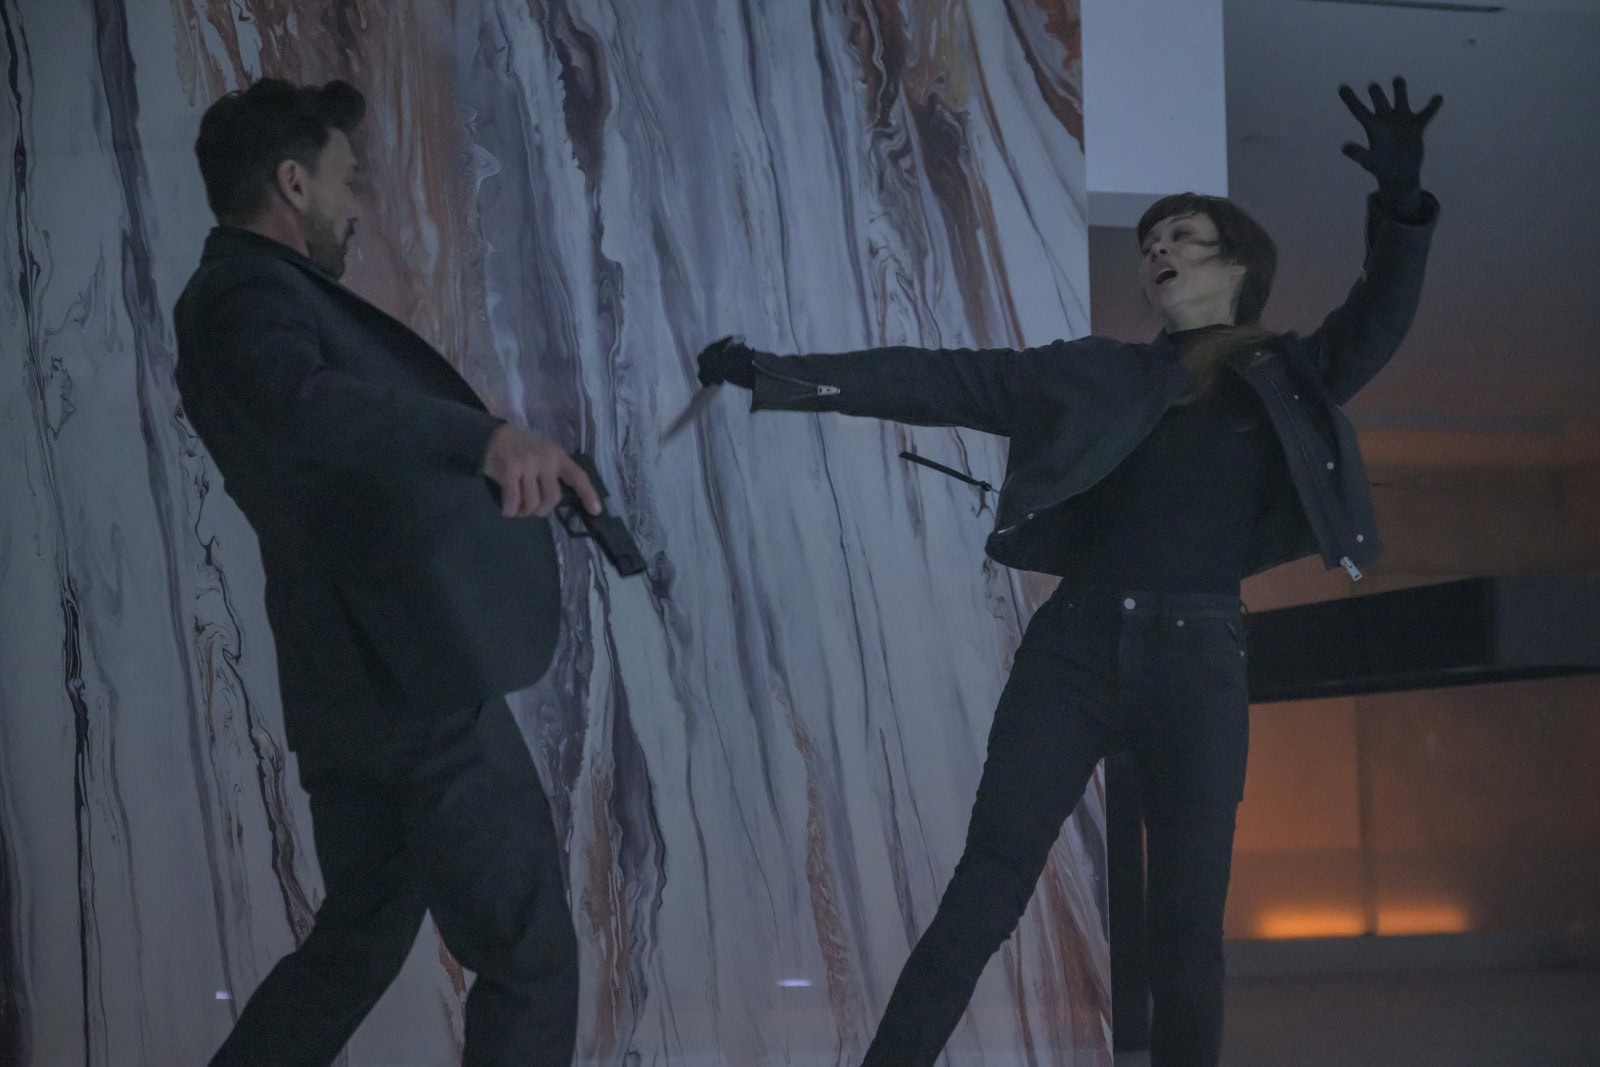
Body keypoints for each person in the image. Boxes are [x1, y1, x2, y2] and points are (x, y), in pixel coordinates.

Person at [696, 78, 1442, 1066]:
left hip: (1199, 658)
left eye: (1182, 236)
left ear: (1238, 265)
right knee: (986, 888)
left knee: (1185, 930)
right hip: (1074, 650)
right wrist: (779, 373)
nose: (1157, 250)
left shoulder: (1289, 376)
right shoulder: (1097, 371)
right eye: (1150, 242)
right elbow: (941, 379)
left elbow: (1378, 318)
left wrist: (1400, 205)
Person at [173, 77, 601, 1067]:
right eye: (344, 178)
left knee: (355, 946)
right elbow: (307, 406)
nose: (355, 202)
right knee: (530, 955)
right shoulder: (245, 296)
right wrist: (482, 438)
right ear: (293, 183)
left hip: (347, 690)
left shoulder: (239, 298)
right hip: (410, 686)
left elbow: (338, 453)